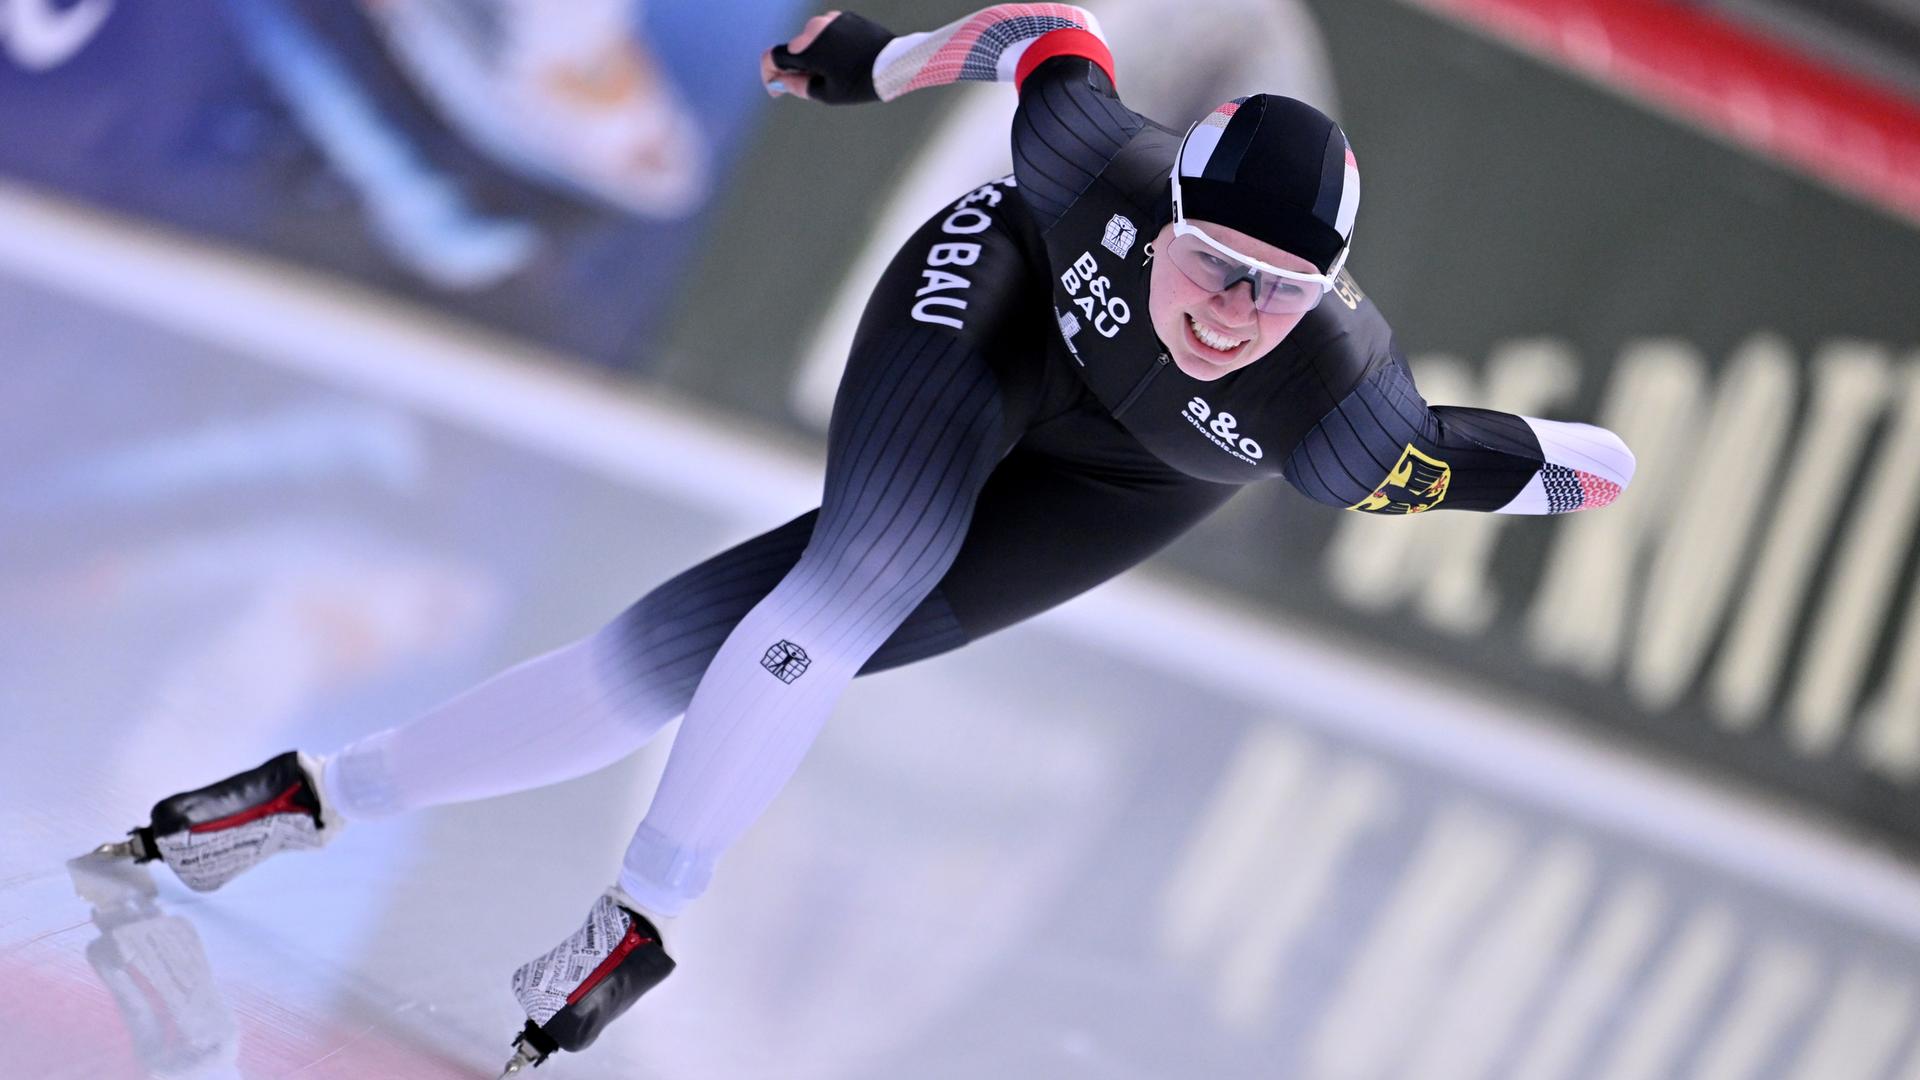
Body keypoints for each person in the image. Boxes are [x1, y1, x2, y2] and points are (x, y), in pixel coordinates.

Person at [97, 5, 1635, 1073]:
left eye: (1278, 293)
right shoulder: (1085, 162)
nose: (1235, 313)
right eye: (1220, 263)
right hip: (994, 314)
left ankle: (309, 802)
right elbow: (1045, 39)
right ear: (1164, 203)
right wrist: (865, 67)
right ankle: (636, 926)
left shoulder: (1340, 416)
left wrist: (1588, 469)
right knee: (846, 587)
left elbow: (1467, 461)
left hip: (1122, 478)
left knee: (664, 662)